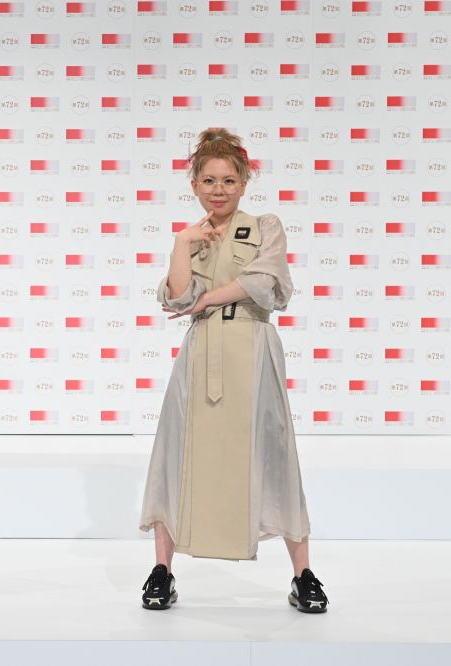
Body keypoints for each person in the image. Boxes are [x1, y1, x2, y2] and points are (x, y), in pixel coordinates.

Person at [138, 128, 328, 613]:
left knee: (274, 451)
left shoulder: (265, 226)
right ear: (194, 185)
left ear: (244, 182)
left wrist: (205, 299)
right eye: (208, 180)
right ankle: (161, 570)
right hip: (201, 353)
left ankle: (303, 575)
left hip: (252, 349)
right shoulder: (193, 238)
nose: (218, 189)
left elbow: (265, 282)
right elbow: (176, 297)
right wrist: (182, 242)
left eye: (227, 180)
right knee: (175, 454)